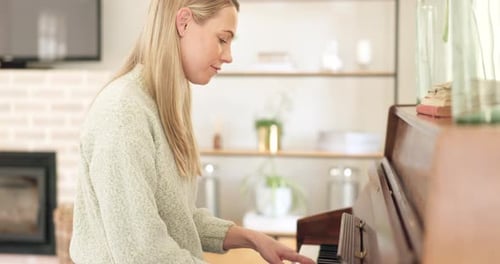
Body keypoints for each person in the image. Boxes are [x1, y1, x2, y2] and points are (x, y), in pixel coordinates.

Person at [69, 0, 315, 263]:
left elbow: (177, 217)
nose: (229, 55)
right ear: (183, 22)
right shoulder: (122, 113)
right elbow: (142, 254)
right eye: (223, 39)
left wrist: (252, 238)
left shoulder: (162, 105)